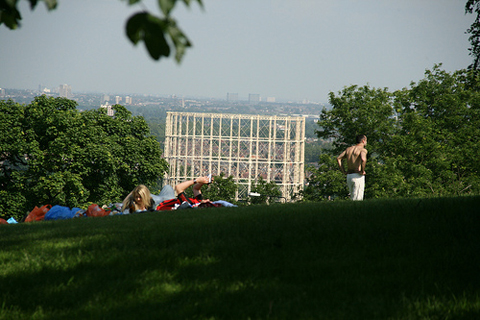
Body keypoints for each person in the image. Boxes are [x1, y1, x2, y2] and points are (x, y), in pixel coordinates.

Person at [337, 134, 368, 201]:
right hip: (357, 175)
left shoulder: (349, 149)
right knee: (357, 199)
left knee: (352, 197)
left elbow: (338, 158)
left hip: (349, 176)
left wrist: (343, 171)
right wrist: (362, 171)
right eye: (366, 141)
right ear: (363, 141)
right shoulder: (362, 150)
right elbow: (363, 159)